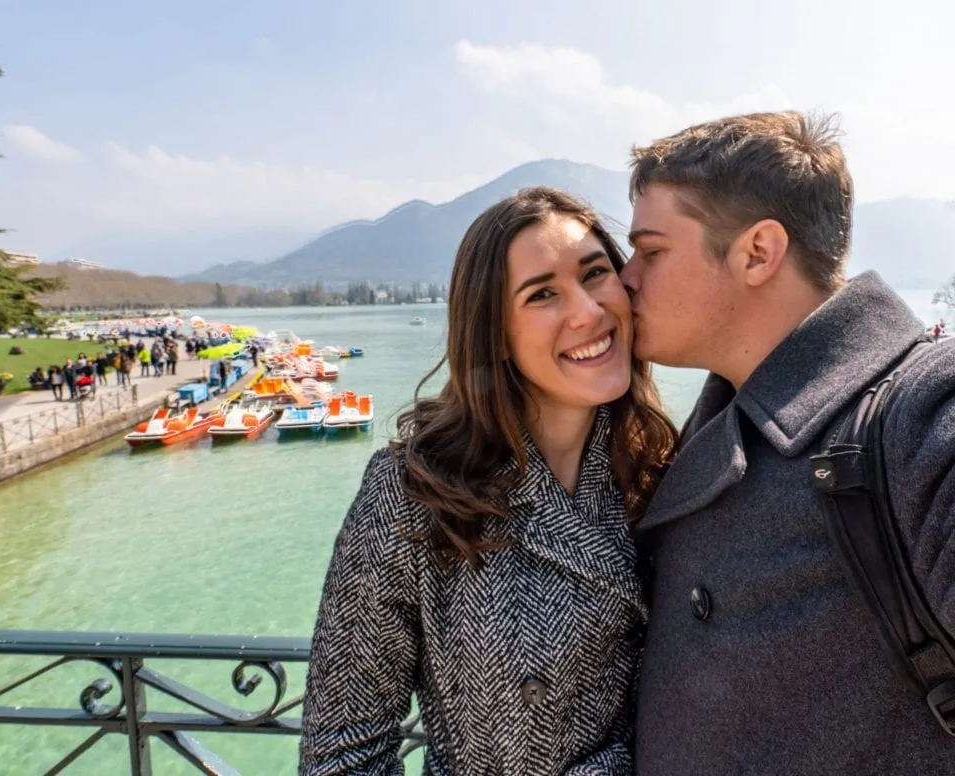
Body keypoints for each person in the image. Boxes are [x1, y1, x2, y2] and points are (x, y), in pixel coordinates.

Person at [619, 111, 955, 774]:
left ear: (758, 253)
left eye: (651, 251)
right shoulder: (723, 420)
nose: (625, 277)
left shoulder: (923, 412)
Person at [299, 187, 678, 775]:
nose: (587, 311)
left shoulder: (664, 469)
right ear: (495, 333)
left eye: (595, 273)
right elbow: (343, 753)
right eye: (543, 294)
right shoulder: (416, 491)